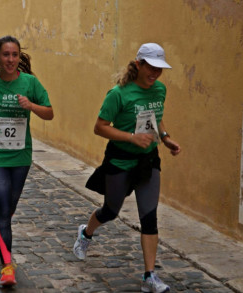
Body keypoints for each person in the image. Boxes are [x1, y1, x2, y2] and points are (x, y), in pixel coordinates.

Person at [72, 43, 181, 293]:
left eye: (159, 69)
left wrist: (165, 137)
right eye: (150, 68)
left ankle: (149, 277)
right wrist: (131, 137)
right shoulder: (118, 94)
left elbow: (157, 115)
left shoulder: (160, 90)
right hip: (120, 160)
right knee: (111, 211)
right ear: (139, 65)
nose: (155, 74)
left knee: (149, 217)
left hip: (148, 161)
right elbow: (100, 127)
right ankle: (85, 233)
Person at [0, 35, 53, 286]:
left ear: (19, 57)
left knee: (9, 206)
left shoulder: (30, 83)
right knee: (3, 208)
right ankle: (7, 266)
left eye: (14, 55)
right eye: (5, 55)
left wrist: (31, 106)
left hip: (20, 155)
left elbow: (49, 112)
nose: (10, 59)